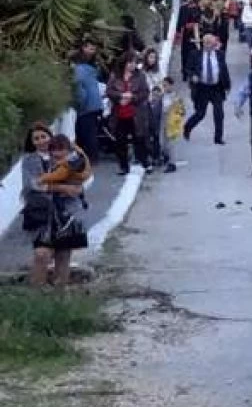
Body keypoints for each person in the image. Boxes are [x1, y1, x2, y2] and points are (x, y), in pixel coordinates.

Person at [19, 125, 88, 287]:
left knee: (63, 255)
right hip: (41, 213)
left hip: (66, 213)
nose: (41, 141)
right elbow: (34, 184)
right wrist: (62, 188)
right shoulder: (29, 161)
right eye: (36, 138)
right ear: (32, 142)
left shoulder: (64, 155)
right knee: (41, 254)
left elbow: (78, 181)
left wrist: (73, 188)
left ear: (50, 137)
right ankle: (36, 297)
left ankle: (59, 298)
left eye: (44, 136)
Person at [105, 55, 152, 175]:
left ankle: (145, 163)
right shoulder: (115, 75)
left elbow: (145, 92)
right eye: (130, 62)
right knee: (120, 142)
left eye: (134, 63)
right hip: (119, 114)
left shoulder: (140, 76)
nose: (132, 65)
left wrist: (132, 97)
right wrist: (120, 96)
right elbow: (109, 91)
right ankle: (123, 166)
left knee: (139, 140)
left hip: (135, 114)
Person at [185, 33, 232, 144]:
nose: (211, 45)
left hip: (216, 88)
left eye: (212, 43)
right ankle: (187, 127)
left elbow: (224, 70)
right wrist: (193, 76)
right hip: (202, 88)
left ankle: (218, 138)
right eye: (208, 43)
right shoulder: (195, 54)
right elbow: (188, 69)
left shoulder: (220, 54)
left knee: (219, 113)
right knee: (200, 113)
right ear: (204, 43)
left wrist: (227, 85)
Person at [71, 40, 104, 164]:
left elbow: (81, 91)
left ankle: (90, 159)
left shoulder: (77, 70)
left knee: (86, 133)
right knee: (92, 132)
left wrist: (80, 106)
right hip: (96, 104)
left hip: (87, 106)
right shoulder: (91, 69)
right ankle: (93, 157)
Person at [150, 77, 180, 173]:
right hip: (163, 122)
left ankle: (172, 163)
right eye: (163, 85)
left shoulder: (176, 97)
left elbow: (181, 111)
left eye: (166, 85)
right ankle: (166, 156)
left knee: (171, 144)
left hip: (172, 123)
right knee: (163, 143)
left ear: (171, 85)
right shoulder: (162, 97)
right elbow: (157, 110)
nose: (164, 87)